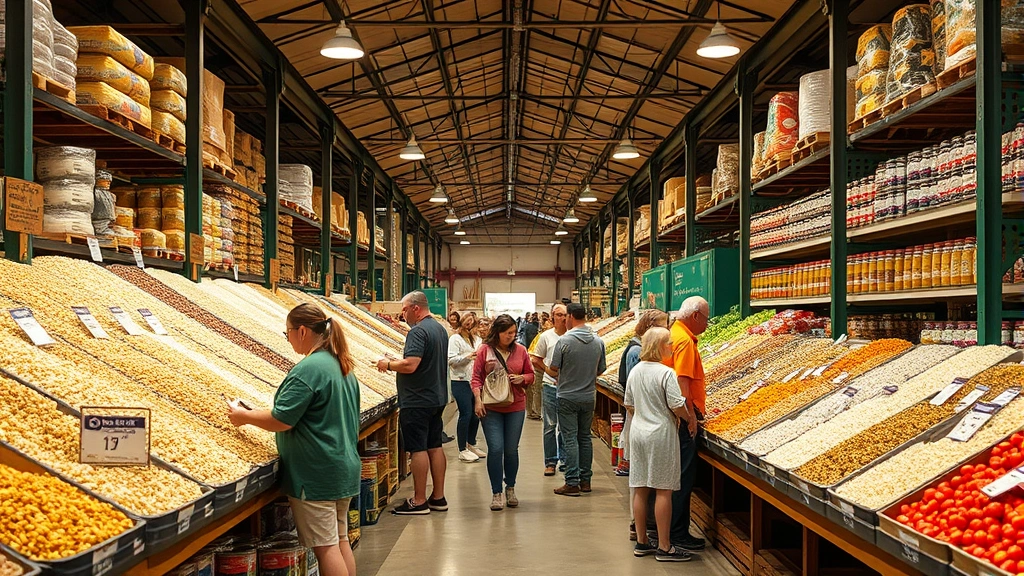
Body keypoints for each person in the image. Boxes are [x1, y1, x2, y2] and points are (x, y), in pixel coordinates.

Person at [227, 303, 360, 576]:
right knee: (340, 539)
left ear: (301, 331)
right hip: (342, 466)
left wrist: (244, 416)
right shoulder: (340, 364)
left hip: (317, 473)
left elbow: (282, 419)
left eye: (287, 333)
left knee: (326, 547)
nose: (287, 339)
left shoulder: (309, 369)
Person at [376, 291, 450, 515]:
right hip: (436, 397)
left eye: (405, 309)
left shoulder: (418, 331)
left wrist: (388, 364)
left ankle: (419, 501)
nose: (403, 313)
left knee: (418, 449)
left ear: (416, 308)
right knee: (435, 446)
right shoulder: (439, 329)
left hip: (417, 399)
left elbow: (411, 365)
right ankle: (438, 497)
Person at [626, 327, 695, 563]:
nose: (672, 347)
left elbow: (629, 404)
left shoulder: (636, 371)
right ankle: (665, 547)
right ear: (659, 347)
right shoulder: (666, 373)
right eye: (669, 343)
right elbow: (676, 404)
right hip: (661, 434)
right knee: (663, 489)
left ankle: (642, 541)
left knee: (640, 487)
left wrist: (643, 415)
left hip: (638, 432)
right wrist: (688, 418)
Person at [472, 314, 535, 511]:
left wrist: (522, 378)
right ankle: (496, 492)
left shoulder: (521, 350)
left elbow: (531, 374)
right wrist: (478, 400)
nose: (511, 336)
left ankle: (511, 487)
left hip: (515, 406)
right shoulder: (485, 350)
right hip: (491, 407)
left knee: (511, 450)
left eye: (514, 332)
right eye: (507, 333)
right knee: (496, 448)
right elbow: (476, 377)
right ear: (498, 332)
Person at [666, 296, 711, 550]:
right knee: (683, 476)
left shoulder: (675, 334)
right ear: (695, 316)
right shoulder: (684, 340)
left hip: (674, 414)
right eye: (706, 319)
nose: (707, 324)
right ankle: (678, 532)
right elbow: (682, 382)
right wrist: (691, 417)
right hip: (683, 417)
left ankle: (668, 529)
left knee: (675, 475)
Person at [620, 309, 670, 539]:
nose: (668, 330)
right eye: (664, 325)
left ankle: (641, 535)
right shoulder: (641, 358)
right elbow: (635, 399)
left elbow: (629, 399)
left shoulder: (640, 363)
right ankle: (655, 537)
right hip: (653, 429)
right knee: (656, 485)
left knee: (640, 483)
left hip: (641, 427)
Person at [550, 302, 606, 496]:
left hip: (567, 396)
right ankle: (586, 480)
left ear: (571, 317)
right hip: (588, 397)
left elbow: (554, 368)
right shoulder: (598, 341)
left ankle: (572, 482)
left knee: (570, 439)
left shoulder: (564, 341)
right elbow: (601, 369)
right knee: (585, 438)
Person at [531, 303, 568, 476]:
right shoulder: (546, 337)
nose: (562, 318)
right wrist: (550, 372)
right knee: (550, 425)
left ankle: (565, 460)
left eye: (565, 315)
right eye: (559, 315)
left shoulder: (572, 336)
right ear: (552, 317)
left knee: (566, 426)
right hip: (550, 386)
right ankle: (550, 461)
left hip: (568, 388)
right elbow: (536, 359)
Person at [448, 313, 487, 463]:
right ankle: (462, 449)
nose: (471, 326)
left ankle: (471, 443)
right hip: (460, 380)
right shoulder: (455, 339)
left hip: (475, 380)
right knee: (466, 413)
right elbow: (450, 360)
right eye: (468, 323)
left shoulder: (477, 339)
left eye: (473, 323)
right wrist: (468, 356)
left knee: (476, 414)